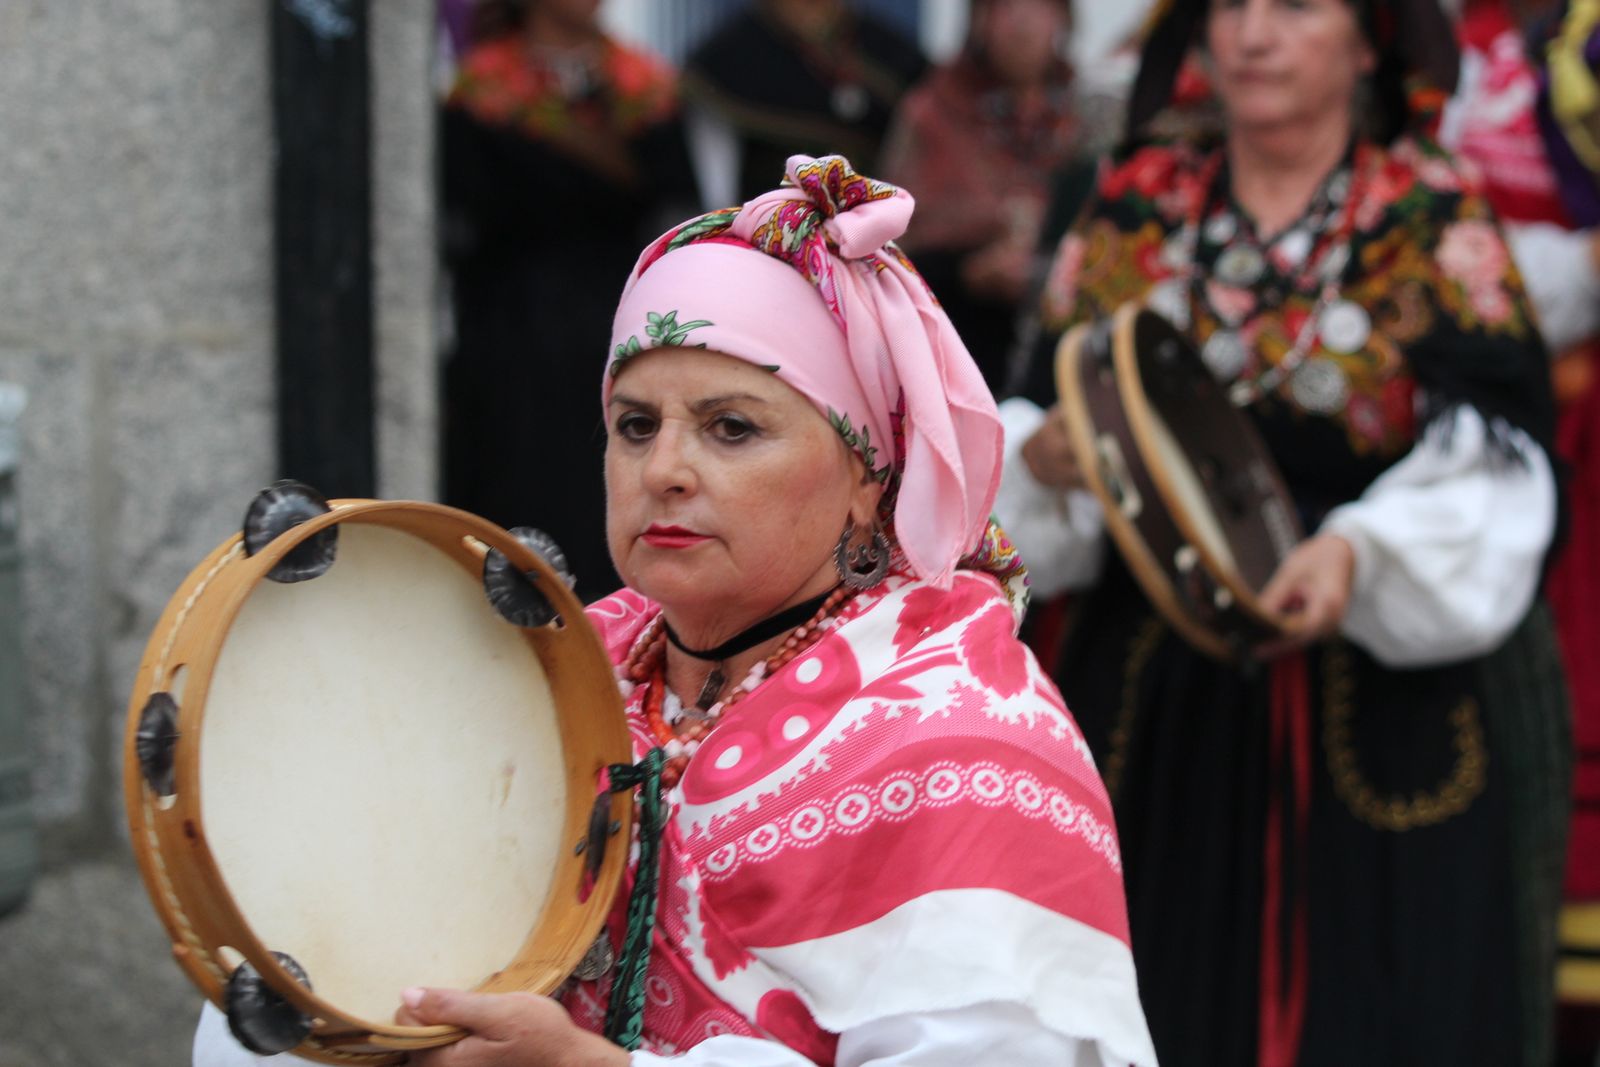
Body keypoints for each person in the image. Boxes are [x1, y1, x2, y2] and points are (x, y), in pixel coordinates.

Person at [192, 156, 1158, 1065]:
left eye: (732, 427)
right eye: (635, 425)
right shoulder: (530, 680)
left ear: (870, 476)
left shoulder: (969, 745)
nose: (664, 470)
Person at [995, 1, 1569, 1064]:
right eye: (1229, 6)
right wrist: (1041, 457)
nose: (1252, 34)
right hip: (1152, 683)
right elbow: (1035, 399)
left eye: (1295, 6)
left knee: (1380, 999)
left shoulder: (1429, 215)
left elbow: (1501, 456)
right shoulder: (1134, 200)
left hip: (1381, 679)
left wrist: (1363, 554)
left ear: (1367, 42)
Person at [440, 0, 696, 599]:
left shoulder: (642, 85)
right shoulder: (482, 88)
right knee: (518, 488)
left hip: (619, 325)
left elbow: (680, 211)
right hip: (512, 339)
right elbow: (459, 221)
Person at [878, 0, 1082, 391]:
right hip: (958, 351)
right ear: (980, 19)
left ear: (1062, 18)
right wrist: (967, 274)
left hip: (1063, 358)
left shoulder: (1086, 115)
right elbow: (890, 249)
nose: (1023, 23)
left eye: (1040, 7)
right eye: (1006, 7)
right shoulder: (934, 113)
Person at [681, 0, 925, 208]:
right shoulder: (726, 60)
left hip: (878, 224)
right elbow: (712, 189)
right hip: (770, 231)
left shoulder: (891, 53)